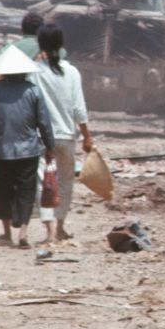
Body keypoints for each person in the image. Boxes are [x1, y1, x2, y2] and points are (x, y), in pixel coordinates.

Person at [0, 45, 55, 249]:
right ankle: (23, 233)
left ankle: (6, 234)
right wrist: (50, 146)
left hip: (3, 150)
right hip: (28, 150)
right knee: (26, 191)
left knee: (3, 191)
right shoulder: (33, 91)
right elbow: (44, 122)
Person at [31, 24, 95, 244]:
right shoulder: (72, 72)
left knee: (42, 181)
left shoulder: (34, 71)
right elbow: (79, 108)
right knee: (65, 181)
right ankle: (60, 226)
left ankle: (48, 229)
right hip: (66, 136)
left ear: (40, 45)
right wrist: (87, 136)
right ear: (61, 45)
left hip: (40, 137)